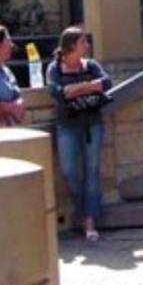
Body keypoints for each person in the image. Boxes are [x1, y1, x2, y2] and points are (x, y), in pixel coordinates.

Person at [46, 27, 113, 242]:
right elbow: (57, 92)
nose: (87, 46)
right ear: (71, 46)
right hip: (67, 125)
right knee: (69, 171)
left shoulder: (91, 65)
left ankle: (90, 221)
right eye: (83, 42)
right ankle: (82, 211)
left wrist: (77, 88)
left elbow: (106, 83)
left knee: (92, 170)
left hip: (92, 123)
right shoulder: (55, 68)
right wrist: (90, 86)